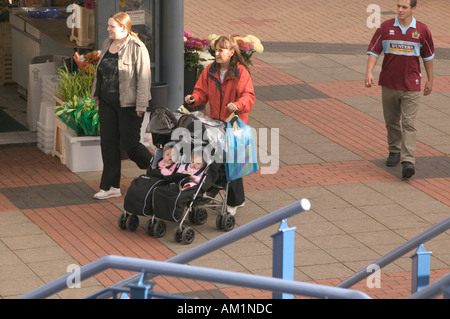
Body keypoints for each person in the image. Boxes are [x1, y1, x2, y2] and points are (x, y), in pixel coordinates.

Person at [185, 35, 255, 215]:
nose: (217, 53)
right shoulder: (210, 70)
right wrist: (194, 99)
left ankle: (234, 201)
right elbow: (201, 91)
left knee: (232, 162)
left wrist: (237, 105)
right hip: (216, 123)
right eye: (216, 50)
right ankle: (218, 190)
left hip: (235, 125)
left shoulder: (241, 72)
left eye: (221, 50)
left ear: (231, 53)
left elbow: (248, 97)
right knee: (215, 158)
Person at [365, 0, 434, 179]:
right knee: (392, 121)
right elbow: (374, 51)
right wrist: (369, 72)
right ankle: (394, 150)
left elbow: (428, 56)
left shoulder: (422, 30)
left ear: (413, 9)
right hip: (389, 84)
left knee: (409, 123)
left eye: (404, 7)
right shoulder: (385, 28)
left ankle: (408, 161)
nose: (400, 10)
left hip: (411, 86)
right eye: (398, 6)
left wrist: (430, 80)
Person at [91, 12, 153, 199]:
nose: (108, 29)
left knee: (130, 144)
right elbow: (100, 73)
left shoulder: (137, 47)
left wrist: (141, 105)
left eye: (112, 26)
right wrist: (97, 95)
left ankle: (158, 169)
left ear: (124, 28)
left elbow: (143, 79)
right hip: (107, 103)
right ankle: (110, 186)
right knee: (108, 143)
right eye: (108, 26)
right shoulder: (107, 43)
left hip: (129, 105)